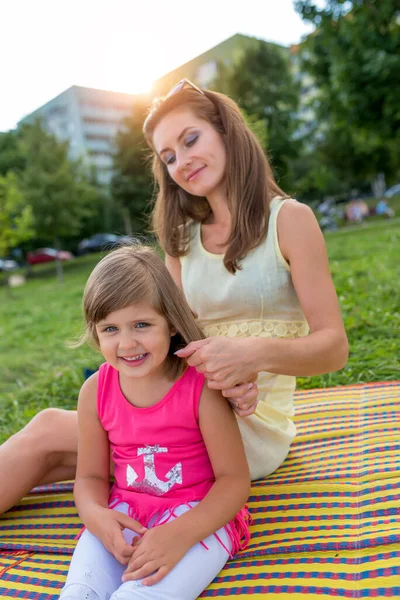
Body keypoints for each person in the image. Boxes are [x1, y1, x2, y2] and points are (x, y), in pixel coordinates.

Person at [0, 79, 348, 513]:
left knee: (49, 431)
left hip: (245, 426)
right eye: (169, 157)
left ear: (225, 131)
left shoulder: (290, 220)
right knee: (56, 454)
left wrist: (250, 356)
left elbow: (333, 348)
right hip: (181, 405)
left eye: (190, 140)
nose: (182, 162)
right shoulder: (182, 239)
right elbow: (173, 342)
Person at [59, 244, 250, 600]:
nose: (127, 343)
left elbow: (234, 481)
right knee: (79, 593)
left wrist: (180, 533)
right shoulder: (94, 392)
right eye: (110, 328)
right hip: (125, 515)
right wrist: (95, 516)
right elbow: (91, 477)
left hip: (199, 518)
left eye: (142, 324)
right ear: (95, 332)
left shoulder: (200, 386)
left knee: (138, 596)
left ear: (172, 324)